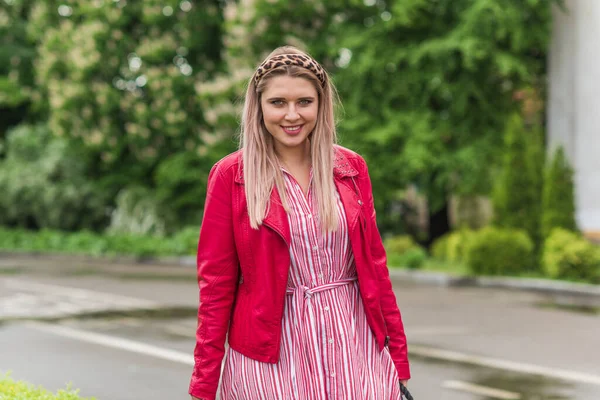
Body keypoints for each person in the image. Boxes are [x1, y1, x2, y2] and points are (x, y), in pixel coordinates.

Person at [189, 45, 410, 400]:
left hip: (354, 345)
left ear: (321, 104)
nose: (292, 115)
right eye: (278, 102)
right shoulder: (231, 176)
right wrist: (204, 385)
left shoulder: (351, 168)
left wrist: (396, 357)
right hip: (270, 356)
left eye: (304, 102)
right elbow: (215, 287)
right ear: (259, 107)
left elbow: (376, 269)